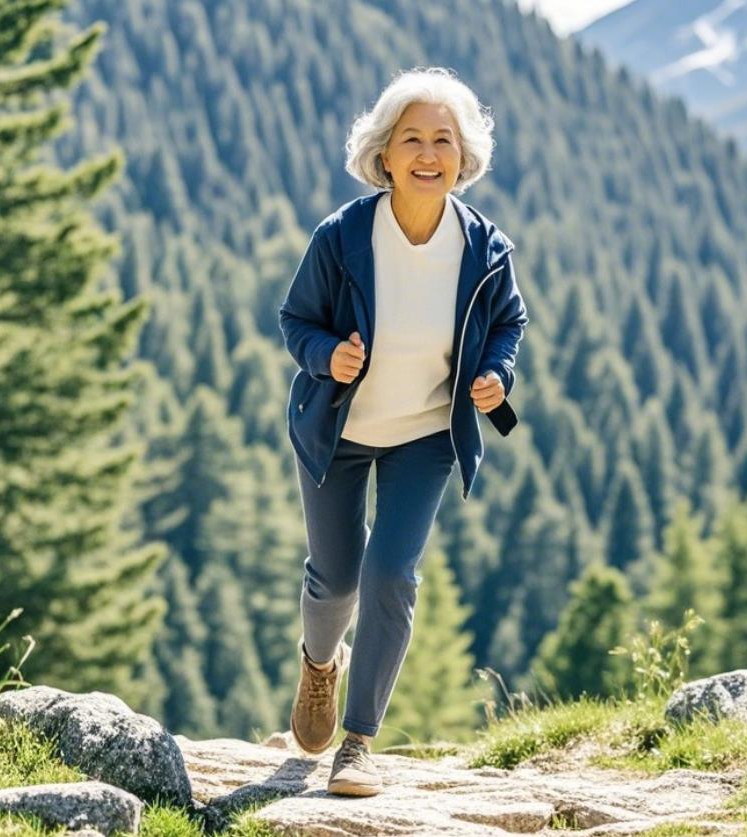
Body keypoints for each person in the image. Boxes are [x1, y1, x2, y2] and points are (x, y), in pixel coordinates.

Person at [277, 66, 529, 797]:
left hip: (426, 433)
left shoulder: (485, 248)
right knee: (336, 576)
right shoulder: (343, 236)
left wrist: (495, 374)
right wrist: (330, 354)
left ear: (464, 156)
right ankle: (320, 666)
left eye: (442, 139)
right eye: (411, 138)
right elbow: (295, 320)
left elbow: (509, 322)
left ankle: (356, 743)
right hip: (338, 429)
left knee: (391, 574)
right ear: (383, 154)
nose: (428, 152)